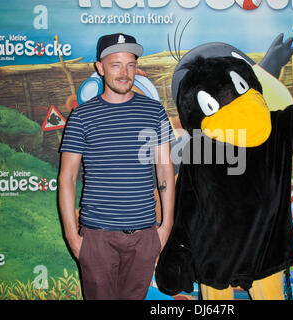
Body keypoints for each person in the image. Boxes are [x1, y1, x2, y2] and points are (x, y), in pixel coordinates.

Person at [58, 33, 175, 300]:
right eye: (115, 64)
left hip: (144, 236)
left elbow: (165, 169)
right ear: (99, 67)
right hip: (97, 238)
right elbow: (67, 178)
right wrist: (72, 237)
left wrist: (165, 227)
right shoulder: (81, 116)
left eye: (131, 64)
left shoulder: (154, 111)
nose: (124, 73)